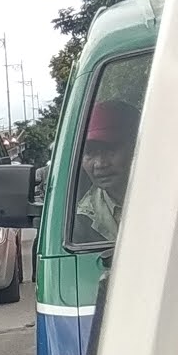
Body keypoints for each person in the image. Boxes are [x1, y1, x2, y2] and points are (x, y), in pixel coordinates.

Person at [74, 98, 141, 245]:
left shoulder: (175, 198)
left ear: (136, 147)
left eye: (110, 149)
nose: (100, 164)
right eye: (90, 152)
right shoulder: (80, 221)